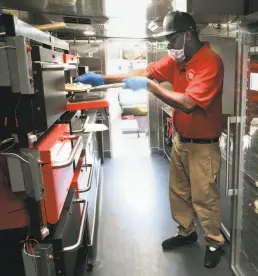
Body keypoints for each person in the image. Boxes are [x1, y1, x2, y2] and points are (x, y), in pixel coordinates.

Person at [75, 11, 225, 268]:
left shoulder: (210, 62)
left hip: (203, 146)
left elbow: (189, 103)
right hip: (182, 141)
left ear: (187, 35)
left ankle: (214, 242)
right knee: (178, 192)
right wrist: (102, 79)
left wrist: (149, 87)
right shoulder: (179, 61)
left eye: (172, 39)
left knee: (204, 196)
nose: (168, 46)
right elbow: (144, 71)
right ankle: (186, 232)